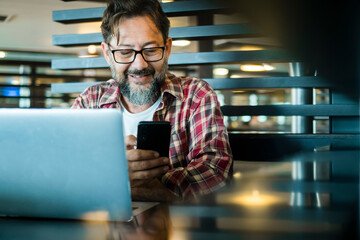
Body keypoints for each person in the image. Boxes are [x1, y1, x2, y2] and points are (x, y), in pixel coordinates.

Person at [71, 0, 232, 201]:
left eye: (151, 49)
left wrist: (119, 180)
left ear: (168, 47)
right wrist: (111, 172)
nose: (140, 64)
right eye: (125, 52)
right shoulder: (90, 101)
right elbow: (67, 168)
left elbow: (215, 170)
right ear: (107, 54)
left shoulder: (196, 95)